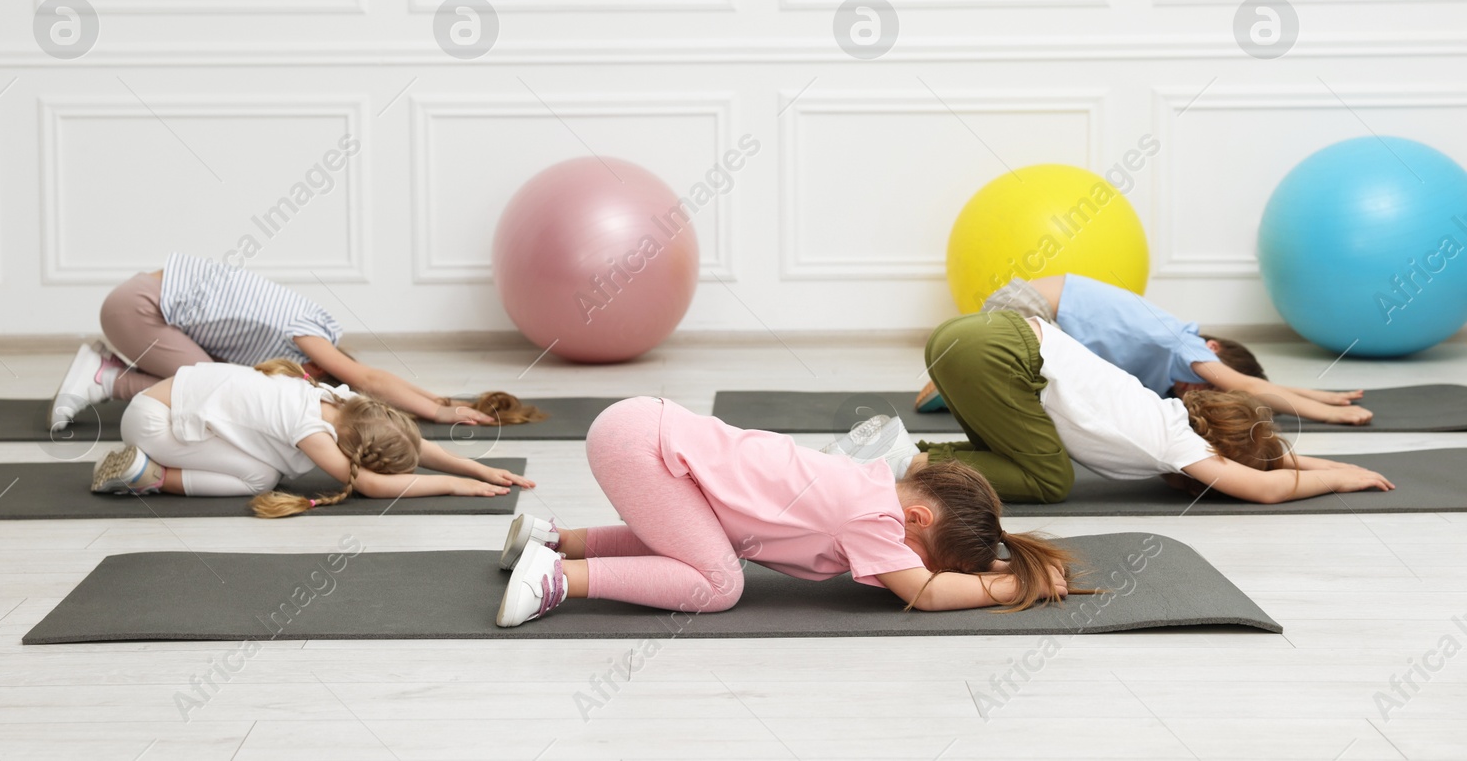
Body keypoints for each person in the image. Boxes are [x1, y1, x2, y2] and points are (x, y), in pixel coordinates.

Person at [493, 395, 1077, 628]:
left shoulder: (872, 488)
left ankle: (555, 541)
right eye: (916, 554)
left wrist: (1003, 565)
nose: (903, 567)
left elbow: (929, 573)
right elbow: (925, 592)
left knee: (698, 546)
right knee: (719, 583)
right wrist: (1010, 591)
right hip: (641, 443)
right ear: (917, 523)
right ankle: (559, 578)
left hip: (642, 426)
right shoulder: (873, 520)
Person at [912, 310, 1394, 505]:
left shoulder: (1166, 412)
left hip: (978, 337)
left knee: (1016, 459)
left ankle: (906, 455)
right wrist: (1336, 478)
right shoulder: (1177, 442)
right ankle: (903, 462)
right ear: (1218, 455)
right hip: (998, 353)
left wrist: (1323, 461)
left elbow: (1262, 461)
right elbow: (1264, 488)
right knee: (1049, 480)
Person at [52, 252, 543, 432]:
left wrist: (441, 401)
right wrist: (440, 410)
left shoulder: (299, 337)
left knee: (226, 381)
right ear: (324, 370)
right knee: (211, 391)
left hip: (144, 298)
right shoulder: (311, 338)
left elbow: (367, 384)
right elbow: (369, 378)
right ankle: (106, 376)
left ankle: (110, 365)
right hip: (139, 307)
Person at [90, 357, 533, 516]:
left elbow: (419, 448)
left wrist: (477, 467)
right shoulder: (314, 432)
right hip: (152, 424)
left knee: (261, 461)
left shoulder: (338, 400)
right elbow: (373, 486)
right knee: (260, 478)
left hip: (158, 402)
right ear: (352, 452)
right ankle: (151, 475)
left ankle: (151, 464)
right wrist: (457, 485)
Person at [917, 274, 1370, 425]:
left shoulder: (1165, 378)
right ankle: (950, 376)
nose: (1197, 388)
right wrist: (1329, 410)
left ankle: (959, 378)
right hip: (1025, 308)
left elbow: (1248, 388)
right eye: (1205, 377)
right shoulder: (1185, 344)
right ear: (1212, 350)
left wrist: (1323, 395)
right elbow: (1249, 385)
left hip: (1033, 326)